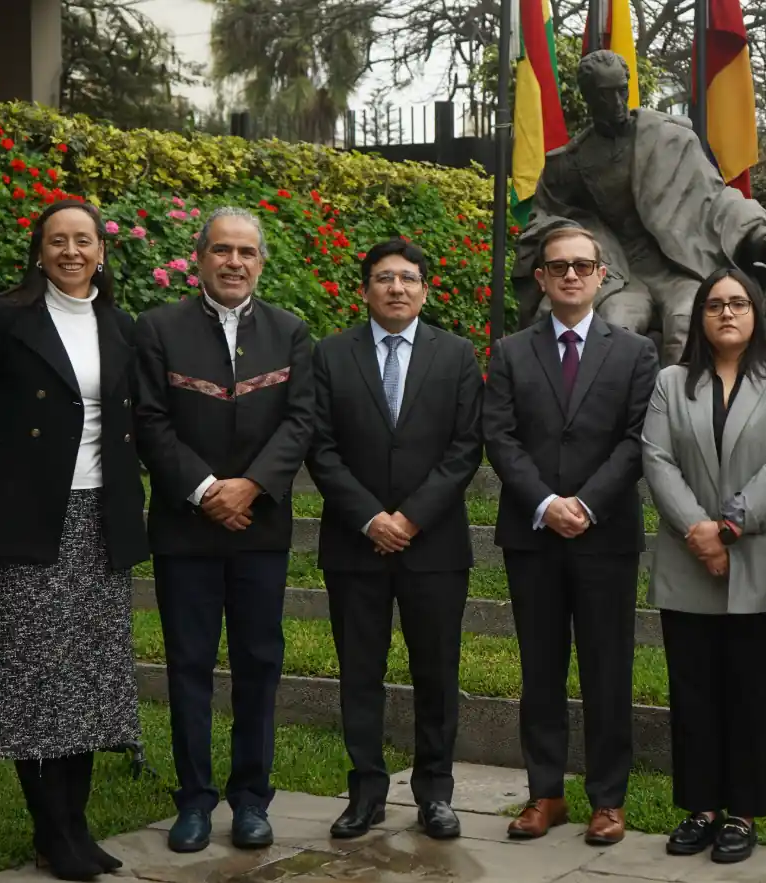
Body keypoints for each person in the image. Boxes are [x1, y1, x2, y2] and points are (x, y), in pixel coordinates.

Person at [0, 200, 149, 881]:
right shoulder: (1, 317)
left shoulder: (121, 326)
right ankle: (51, 830)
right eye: (57, 240)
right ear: (38, 251)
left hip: (100, 517)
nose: (70, 251)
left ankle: (76, 825)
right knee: (31, 678)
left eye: (82, 240)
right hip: (20, 520)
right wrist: (0, 481)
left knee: (86, 678)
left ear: (100, 252)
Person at [134, 207, 316, 854]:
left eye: (246, 251)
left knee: (258, 664)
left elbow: (299, 422)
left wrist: (251, 486)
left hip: (259, 528)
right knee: (188, 663)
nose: (234, 261)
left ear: (261, 261)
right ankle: (192, 800)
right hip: (186, 529)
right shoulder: (157, 329)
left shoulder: (291, 333)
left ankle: (250, 799)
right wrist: (208, 489)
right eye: (222, 250)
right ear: (200, 257)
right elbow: (150, 421)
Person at [482, 225, 659, 845]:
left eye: (583, 266)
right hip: (533, 536)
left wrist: (584, 502)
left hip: (605, 535)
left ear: (602, 274)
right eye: (559, 268)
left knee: (608, 669)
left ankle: (608, 800)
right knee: (540, 669)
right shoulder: (509, 352)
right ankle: (545, 793)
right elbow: (499, 437)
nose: (572, 276)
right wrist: (546, 502)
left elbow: (637, 441)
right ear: (542, 279)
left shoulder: (635, 352)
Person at [307, 240, 484, 841]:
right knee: (360, 673)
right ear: (365, 290)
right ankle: (366, 793)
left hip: (433, 546)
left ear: (425, 290)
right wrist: (370, 518)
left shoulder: (456, 355)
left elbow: (466, 448)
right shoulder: (330, 355)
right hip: (355, 546)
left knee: (436, 672)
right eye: (384, 278)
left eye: (409, 278)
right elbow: (320, 448)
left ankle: (435, 793)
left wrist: (409, 518)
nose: (397, 288)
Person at [639, 267, 766, 864]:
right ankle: (702, 807)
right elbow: (657, 459)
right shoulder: (670, 382)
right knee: (693, 691)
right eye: (715, 305)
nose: (728, 313)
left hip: (759, 559)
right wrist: (699, 532)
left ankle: (743, 809)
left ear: (757, 313)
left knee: (755, 690)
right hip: (689, 560)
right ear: (701, 317)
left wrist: (731, 526)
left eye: (739, 303)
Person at [512, 49, 766, 366]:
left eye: (622, 90)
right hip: (619, 273)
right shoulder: (570, 163)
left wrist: (758, 234)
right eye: (606, 96)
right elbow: (545, 218)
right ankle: (615, 413)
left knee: (689, 319)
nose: (618, 103)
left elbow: (716, 198)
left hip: (678, 265)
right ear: (589, 98)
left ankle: (680, 410)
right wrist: (581, 241)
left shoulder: (669, 138)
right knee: (616, 325)